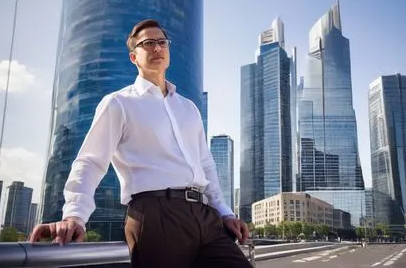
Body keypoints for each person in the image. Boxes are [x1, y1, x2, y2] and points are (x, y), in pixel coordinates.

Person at [30, 19, 251, 268]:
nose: (157, 48)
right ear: (134, 57)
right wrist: (74, 215)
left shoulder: (188, 108)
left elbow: (206, 164)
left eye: (161, 42)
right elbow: (90, 161)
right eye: (148, 43)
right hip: (156, 215)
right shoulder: (118, 103)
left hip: (205, 217)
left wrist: (225, 213)